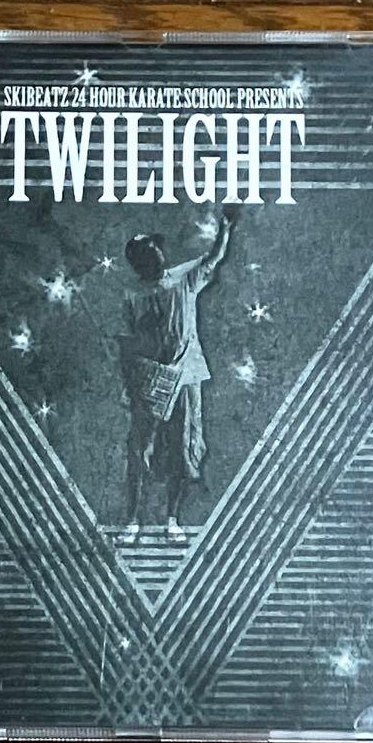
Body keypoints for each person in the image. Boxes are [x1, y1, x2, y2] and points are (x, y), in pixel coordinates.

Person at [119, 209, 236, 542]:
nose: (157, 254)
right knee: (139, 450)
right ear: (138, 262)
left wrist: (225, 227)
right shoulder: (133, 295)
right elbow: (127, 341)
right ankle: (132, 521)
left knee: (182, 449)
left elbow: (213, 258)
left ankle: (172, 519)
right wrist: (132, 381)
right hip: (151, 381)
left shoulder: (183, 278)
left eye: (157, 248)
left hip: (185, 377)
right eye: (149, 251)